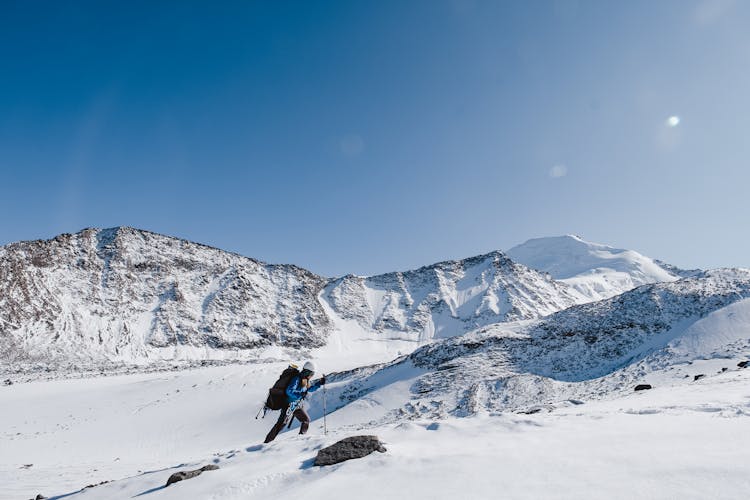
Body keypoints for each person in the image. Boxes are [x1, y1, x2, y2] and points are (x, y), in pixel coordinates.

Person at [264, 361, 326, 443]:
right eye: (312, 374)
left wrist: (319, 383)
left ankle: (301, 438)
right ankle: (267, 443)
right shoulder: (296, 379)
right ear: (307, 372)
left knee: (306, 420)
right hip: (289, 405)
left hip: (297, 405)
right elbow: (289, 391)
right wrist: (300, 394)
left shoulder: (305, 380)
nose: (312, 376)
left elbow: (309, 389)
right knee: (281, 424)